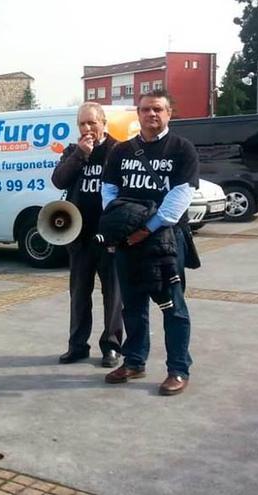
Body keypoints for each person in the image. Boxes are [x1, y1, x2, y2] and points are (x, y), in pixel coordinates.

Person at [101, 89, 200, 396]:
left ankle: (178, 369)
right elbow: (108, 191)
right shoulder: (121, 151)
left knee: (173, 308)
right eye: (145, 110)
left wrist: (145, 229)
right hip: (128, 242)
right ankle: (134, 361)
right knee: (132, 305)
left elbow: (179, 198)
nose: (151, 114)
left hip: (165, 240)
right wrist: (120, 225)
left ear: (169, 113)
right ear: (138, 114)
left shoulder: (182, 149)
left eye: (158, 109)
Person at [51, 102, 123, 368]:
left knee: (113, 295)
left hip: (109, 236)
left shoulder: (118, 150)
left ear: (103, 123)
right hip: (79, 236)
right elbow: (59, 180)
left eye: (92, 122)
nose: (87, 128)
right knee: (79, 294)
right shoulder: (73, 151)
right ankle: (77, 345)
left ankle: (112, 346)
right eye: (82, 123)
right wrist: (80, 155)